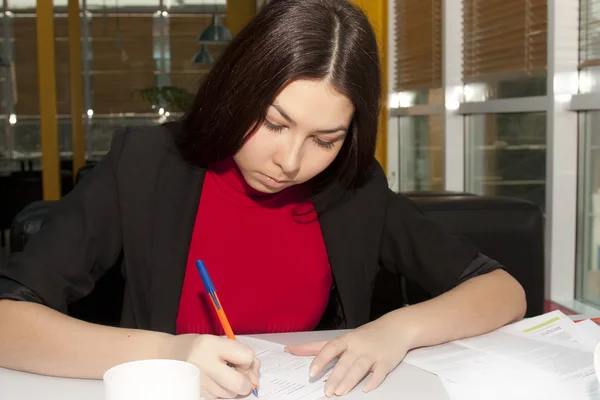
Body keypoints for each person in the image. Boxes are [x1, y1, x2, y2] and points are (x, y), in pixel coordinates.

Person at [0, 0, 526, 398]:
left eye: (325, 139)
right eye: (275, 123)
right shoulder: (145, 167)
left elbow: (503, 291)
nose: (292, 162)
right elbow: (8, 320)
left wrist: (395, 330)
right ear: (236, 92)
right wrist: (171, 353)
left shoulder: (354, 186)